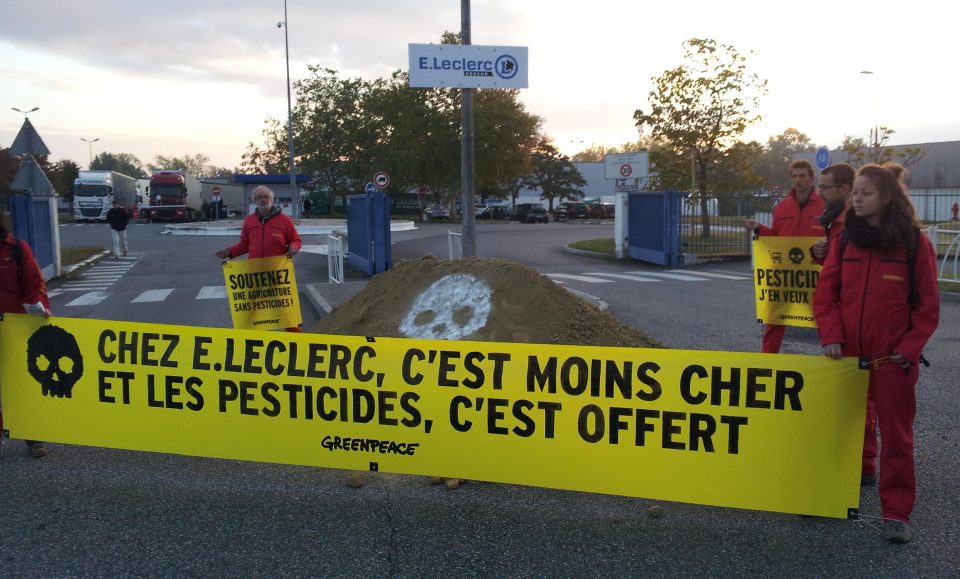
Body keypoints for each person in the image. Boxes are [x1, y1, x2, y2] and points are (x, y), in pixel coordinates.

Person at [813, 163, 940, 544]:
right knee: (843, 427)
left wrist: (909, 348)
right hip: (847, 356)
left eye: (865, 193)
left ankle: (896, 513)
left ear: (886, 197)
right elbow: (826, 295)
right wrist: (831, 335)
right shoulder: (846, 240)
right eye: (855, 193)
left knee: (897, 437)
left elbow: (928, 309)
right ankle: (843, 487)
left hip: (894, 361)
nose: (857, 199)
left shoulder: (915, 243)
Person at [742, 160, 825, 352]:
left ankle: (834, 365)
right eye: (794, 176)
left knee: (824, 320)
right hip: (785, 275)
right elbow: (776, 239)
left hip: (814, 275)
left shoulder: (823, 206)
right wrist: (759, 229)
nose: (798, 180)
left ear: (812, 178)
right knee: (774, 319)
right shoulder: (782, 207)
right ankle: (768, 362)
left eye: (802, 176)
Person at [215, 186, 302, 332]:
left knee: (286, 311)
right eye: (259, 197)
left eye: (266, 196)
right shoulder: (249, 221)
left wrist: (294, 246)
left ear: (271, 199)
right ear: (255, 201)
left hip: (277, 273)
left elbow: (296, 239)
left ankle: (298, 342)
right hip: (255, 274)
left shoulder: (284, 220)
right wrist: (228, 252)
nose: (263, 199)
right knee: (250, 311)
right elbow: (244, 245)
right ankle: (248, 341)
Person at [0, 215, 53, 458]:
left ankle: (33, 437)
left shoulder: (17, 250)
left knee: (21, 384)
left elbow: (34, 284)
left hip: (14, 329)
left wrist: (38, 308)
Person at [810, 163, 856, 264]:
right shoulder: (834, 219)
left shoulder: (855, 225)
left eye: (824, 188)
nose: (819, 193)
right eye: (819, 187)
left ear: (844, 189)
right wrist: (821, 253)